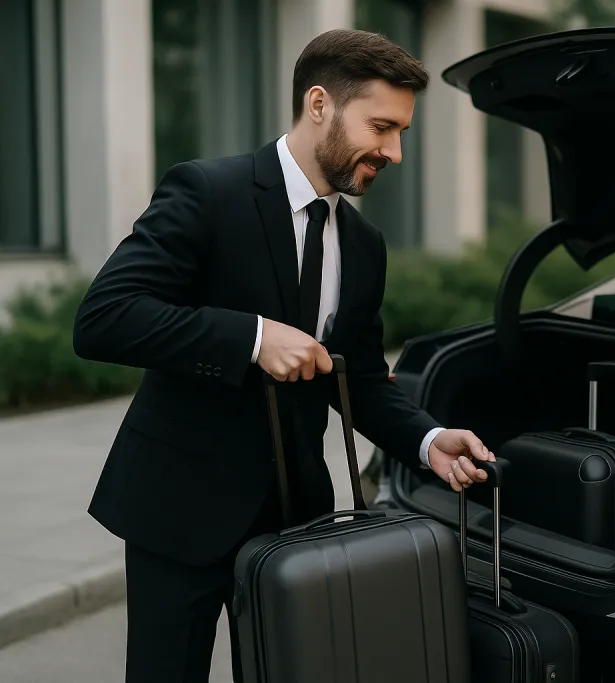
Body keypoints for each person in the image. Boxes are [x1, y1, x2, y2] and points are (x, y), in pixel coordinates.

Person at [72, 28, 495, 683]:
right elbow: (105, 318)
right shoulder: (207, 192)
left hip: (295, 521)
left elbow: (354, 376)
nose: (395, 151)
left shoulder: (365, 243)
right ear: (319, 104)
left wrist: (427, 437)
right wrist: (251, 337)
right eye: (382, 127)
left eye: (402, 132)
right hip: (179, 507)